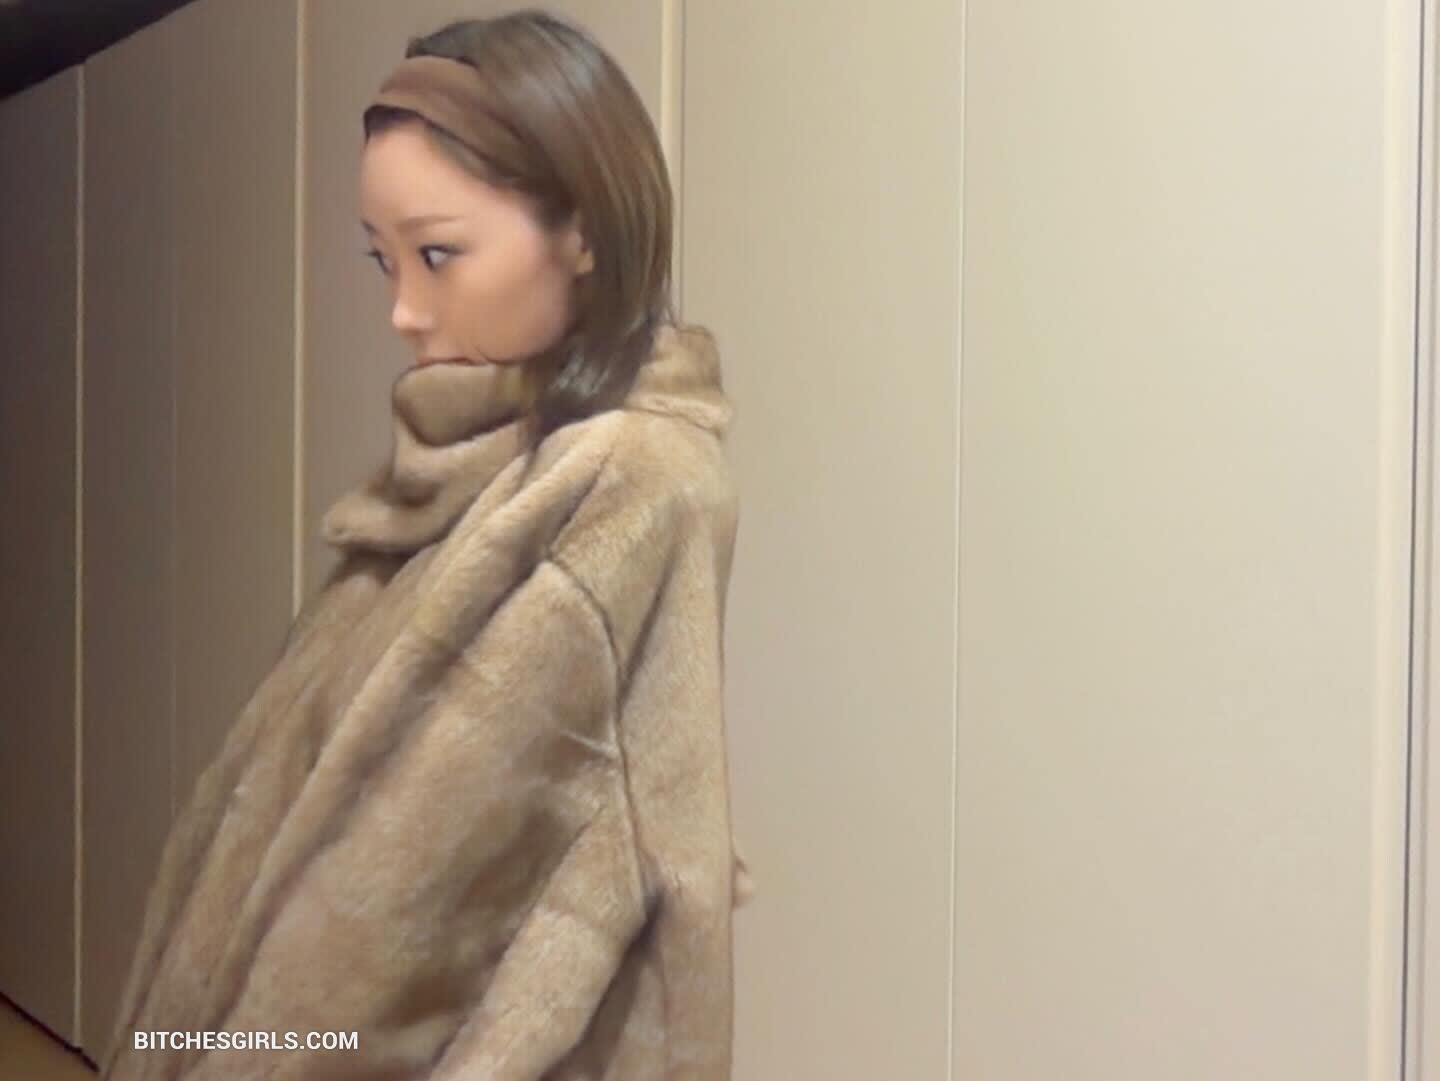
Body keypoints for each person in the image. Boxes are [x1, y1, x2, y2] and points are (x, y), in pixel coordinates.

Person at [99, 10, 753, 1080]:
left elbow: (394, 936)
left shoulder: (619, 483)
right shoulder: (469, 475)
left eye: (439, 253)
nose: (404, 310)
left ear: (584, 231)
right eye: (383, 259)